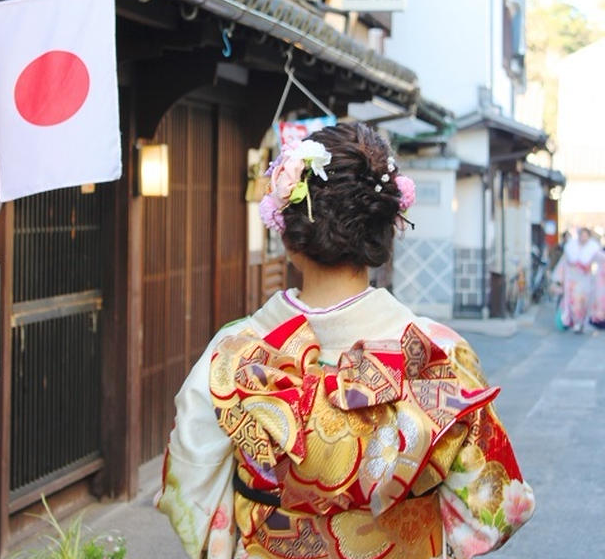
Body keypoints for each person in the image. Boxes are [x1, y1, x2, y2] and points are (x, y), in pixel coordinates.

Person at [157, 123, 534, 559]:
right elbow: (492, 514)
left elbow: (191, 496)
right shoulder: (439, 352)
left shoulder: (234, 351)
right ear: (384, 236)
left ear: (288, 238)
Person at [552, 227, 600, 333]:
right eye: (582, 235)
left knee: (585, 302)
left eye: (585, 235)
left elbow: (600, 263)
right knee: (575, 303)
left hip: (587, 279)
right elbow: (563, 264)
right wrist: (560, 279)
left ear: (589, 237)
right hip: (573, 280)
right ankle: (576, 323)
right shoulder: (571, 248)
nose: (583, 237)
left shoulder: (593, 249)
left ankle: (582, 322)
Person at [589, 243, 605, 329]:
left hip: (601, 279)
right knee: (600, 300)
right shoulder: (600, 252)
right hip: (601, 280)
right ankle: (599, 320)